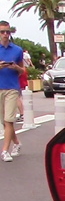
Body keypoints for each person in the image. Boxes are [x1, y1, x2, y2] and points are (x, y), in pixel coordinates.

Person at [0, 21, 25, 162]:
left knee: (9, 120)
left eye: (7, 32)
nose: (5, 35)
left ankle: (4, 151)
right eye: (2, 32)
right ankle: (16, 143)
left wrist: (16, 67)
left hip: (12, 88)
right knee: (4, 121)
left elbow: (23, 71)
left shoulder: (17, 50)